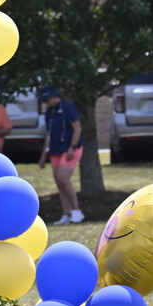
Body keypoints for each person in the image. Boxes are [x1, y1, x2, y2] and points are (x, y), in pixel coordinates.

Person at [37, 84, 85, 225]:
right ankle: (66, 213)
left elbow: (77, 127)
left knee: (63, 178)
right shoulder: (49, 113)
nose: (45, 103)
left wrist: (72, 146)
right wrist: (43, 155)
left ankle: (76, 211)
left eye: (46, 100)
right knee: (59, 182)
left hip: (69, 148)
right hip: (55, 149)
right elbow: (49, 134)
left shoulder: (67, 107)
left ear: (54, 96)